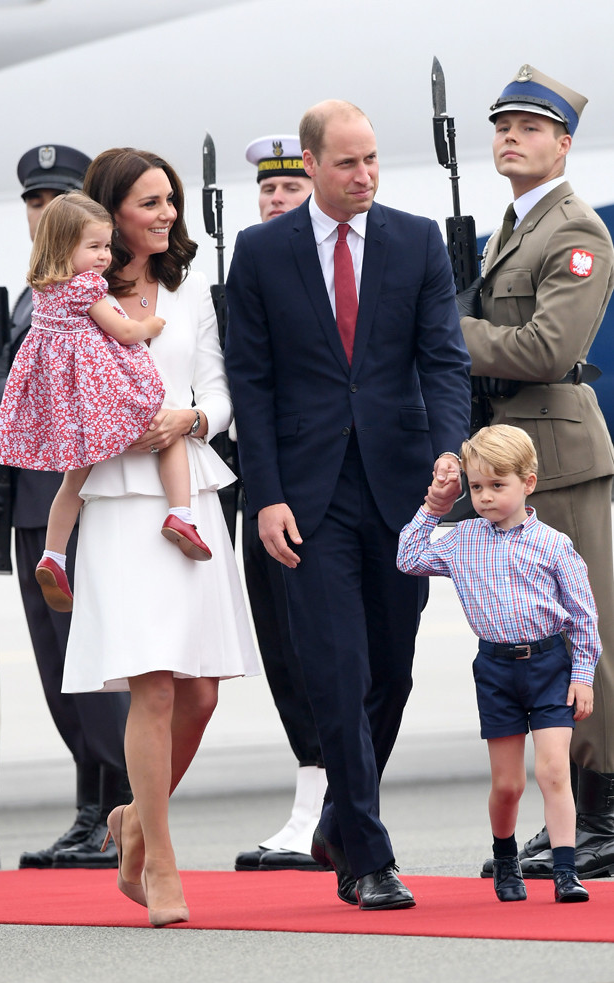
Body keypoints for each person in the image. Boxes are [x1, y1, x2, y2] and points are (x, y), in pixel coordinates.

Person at [225, 100, 471, 909]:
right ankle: (367, 855)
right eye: (347, 164)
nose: (364, 176)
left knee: (390, 674)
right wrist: (264, 497)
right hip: (307, 491)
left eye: (371, 160)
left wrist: (449, 454)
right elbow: (252, 386)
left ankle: (336, 815)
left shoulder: (416, 240)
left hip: (403, 486)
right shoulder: (262, 253)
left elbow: (442, 360)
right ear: (309, 162)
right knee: (336, 666)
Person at [62, 147, 258, 927]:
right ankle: (162, 863)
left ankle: (133, 822)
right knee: (154, 683)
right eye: (150, 202)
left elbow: (216, 384)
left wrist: (196, 419)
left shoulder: (191, 286)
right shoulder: (73, 292)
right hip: (119, 496)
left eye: (169, 200)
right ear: (111, 212)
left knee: (201, 693)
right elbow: (59, 393)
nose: (166, 213)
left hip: (192, 489)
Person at [457, 65, 614, 880]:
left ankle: (606, 814)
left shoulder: (575, 232)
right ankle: (574, 817)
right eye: (501, 125)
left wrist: (447, 328)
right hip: (513, 455)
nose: (510, 136)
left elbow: (549, 350)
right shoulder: (512, 227)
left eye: (528, 126)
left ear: (564, 142)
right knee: (534, 634)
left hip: (556, 453)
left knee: (585, 634)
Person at [0, 144, 134, 870]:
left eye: (56, 201)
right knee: (56, 665)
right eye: (34, 203)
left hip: (74, 496)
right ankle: (89, 810)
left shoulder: (95, 294)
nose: (42, 212)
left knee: (92, 663)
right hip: (27, 502)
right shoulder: (25, 297)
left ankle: (116, 812)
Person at [398, 424, 598, 903]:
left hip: (550, 664)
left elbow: (584, 616)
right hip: (495, 670)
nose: (485, 497)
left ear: (528, 482)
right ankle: (506, 860)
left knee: (553, 771)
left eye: (497, 486)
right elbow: (407, 558)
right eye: (477, 487)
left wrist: (583, 677)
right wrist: (435, 507)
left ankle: (567, 871)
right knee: (507, 785)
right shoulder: (461, 538)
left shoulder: (553, 544)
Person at [0, 191, 211, 612]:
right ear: (63, 247)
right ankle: (181, 514)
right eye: (93, 247)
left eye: (106, 246)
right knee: (165, 431)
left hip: (67, 404)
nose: (103, 257)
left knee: (73, 481)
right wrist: (150, 322)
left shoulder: (44, 289)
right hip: (100, 395)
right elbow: (124, 332)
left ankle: (53, 555)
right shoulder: (87, 288)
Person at [234, 135, 326, 873]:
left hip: (333, 485)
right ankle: (312, 796)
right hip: (267, 485)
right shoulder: (248, 264)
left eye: (289, 187)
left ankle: (330, 804)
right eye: (268, 189)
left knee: (334, 649)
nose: (275, 198)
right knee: (283, 649)